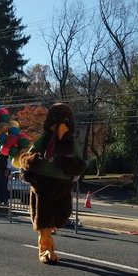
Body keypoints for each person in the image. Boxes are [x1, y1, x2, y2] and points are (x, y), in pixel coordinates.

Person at [19, 103, 86, 264]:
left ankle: (48, 238)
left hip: (62, 185)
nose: (60, 126)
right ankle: (46, 250)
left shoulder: (71, 144)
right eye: (56, 120)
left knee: (61, 215)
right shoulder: (43, 140)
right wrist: (33, 161)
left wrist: (65, 163)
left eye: (65, 121)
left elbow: (80, 164)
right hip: (42, 184)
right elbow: (25, 158)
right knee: (44, 219)